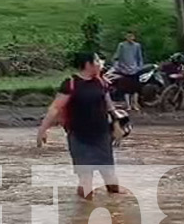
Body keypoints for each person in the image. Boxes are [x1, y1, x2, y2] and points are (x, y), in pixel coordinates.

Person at [37, 52, 122, 200]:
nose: (100, 63)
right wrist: (42, 130)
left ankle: (115, 209)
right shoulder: (71, 84)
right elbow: (55, 108)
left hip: (102, 135)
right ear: (88, 64)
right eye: (97, 60)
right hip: (79, 137)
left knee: (110, 179)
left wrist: (117, 125)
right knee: (86, 179)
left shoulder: (101, 82)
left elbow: (110, 108)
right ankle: (85, 210)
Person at [113, 31, 144, 111]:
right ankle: (128, 105)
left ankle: (135, 104)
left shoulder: (137, 46)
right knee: (126, 89)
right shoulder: (122, 45)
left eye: (131, 36)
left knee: (135, 88)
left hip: (135, 69)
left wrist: (139, 67)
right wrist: (117, 67)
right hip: (124, 69)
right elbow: (117, 57)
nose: (130, 38)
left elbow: (139, 57)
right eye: (128, 36)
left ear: (134, 37)